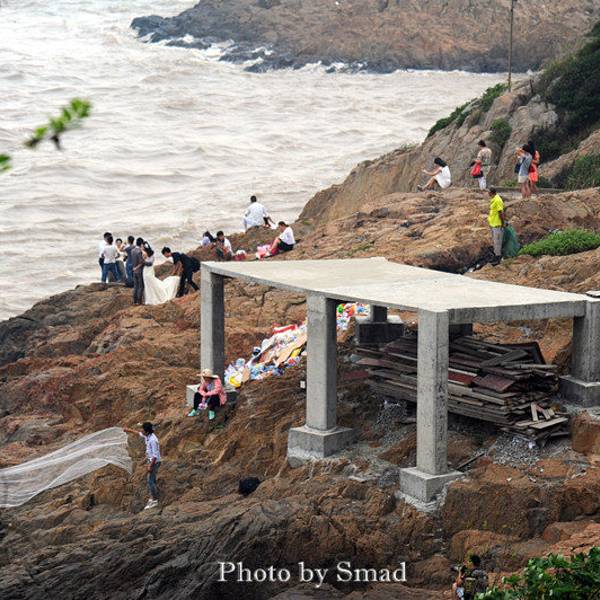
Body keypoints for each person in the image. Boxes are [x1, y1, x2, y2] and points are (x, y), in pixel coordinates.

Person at [124, 423, 161, 510]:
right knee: (152, 479)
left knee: (150, 481)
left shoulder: (153, 440)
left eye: (143, 429)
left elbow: (155, 456)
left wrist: (150, 466)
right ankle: (153, 495)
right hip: (151, 461)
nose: (141, 430)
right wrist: (128, 430)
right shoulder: (148, 436)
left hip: (154, 462)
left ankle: (154, 500)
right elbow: (138, 433)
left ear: (147, 432)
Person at [487, 187, 505, 265]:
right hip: (493, 223)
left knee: (497, 242)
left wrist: (502, 223)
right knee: (495, 241)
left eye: (488, 192)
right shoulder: (494, 199)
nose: (487, 193)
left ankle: (498, 258)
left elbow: (501, 212)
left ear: (491, 192)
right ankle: (495, 256)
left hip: (497, 224)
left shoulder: (498, 200)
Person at [132, 237, 145, 305]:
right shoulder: (139, 251)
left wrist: (134, 268)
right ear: (141, 244)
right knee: (140, 286)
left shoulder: (133, 250)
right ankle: (139, 301)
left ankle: (134, 301)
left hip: (134, 270)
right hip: (139, 270)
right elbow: (141, 262)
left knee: (135, 286)